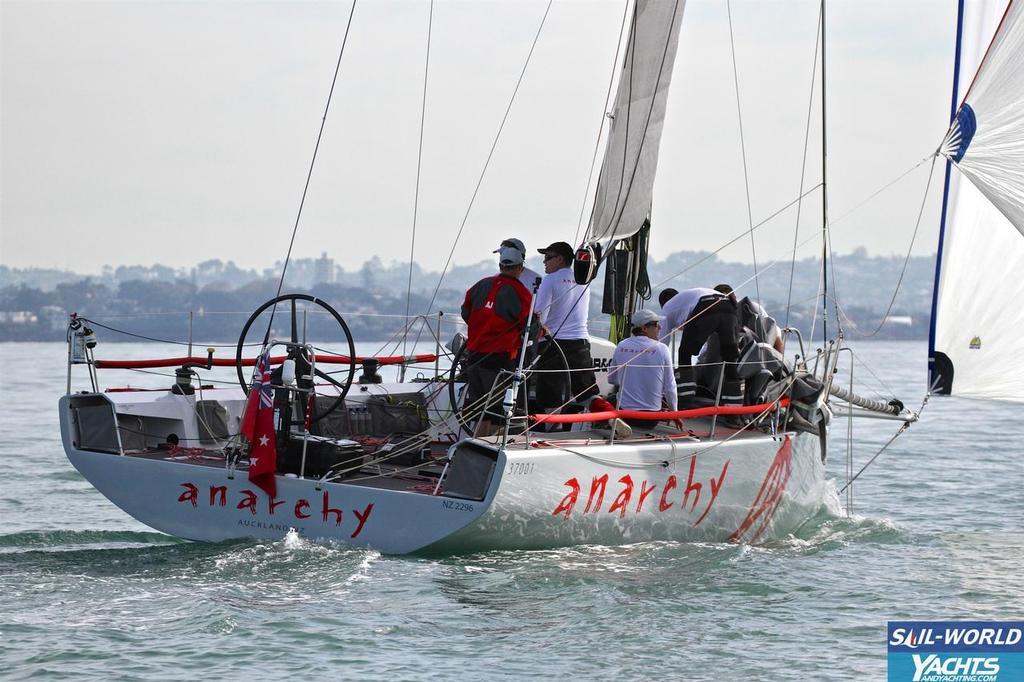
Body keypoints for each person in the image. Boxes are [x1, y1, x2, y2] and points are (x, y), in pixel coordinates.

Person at [460, 245, 535, 437]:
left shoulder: (480, 285)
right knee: (497, 412)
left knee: (479, 408)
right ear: (520, 267)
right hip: (500, 359)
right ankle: (488, 452)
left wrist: (480, 329)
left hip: (474, 356)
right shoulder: (521, 293)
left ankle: (474, 449)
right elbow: (530, 327)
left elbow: (466, 312)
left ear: (501, 265)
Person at [533, 241, 599, 416]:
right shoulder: (583, 280)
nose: (544, 262)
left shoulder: (550, 280)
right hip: (580, 342)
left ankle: (552, 432)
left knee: (551, 395)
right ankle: (609, 418)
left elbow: (540, 316)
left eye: (548, 257)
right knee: (587, 392)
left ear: (560, 259)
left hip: (553, 344)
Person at [659, 286, 740, 402]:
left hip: (706, 306)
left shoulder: (666, 309)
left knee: (684, 353)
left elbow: (661, 347)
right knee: (729, 357)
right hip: (729, 306)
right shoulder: (685, 300)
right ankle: (734, 408)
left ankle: (685, 400)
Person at [608, 308, 677, 428]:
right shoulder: (662, 349)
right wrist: (675, 414)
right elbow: (670, 387)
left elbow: (611, 379)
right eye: (656, 324)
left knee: (606, 400)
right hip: (651, 419)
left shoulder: (621, 345)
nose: (660, 328)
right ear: (644, 328)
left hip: (625, 415)